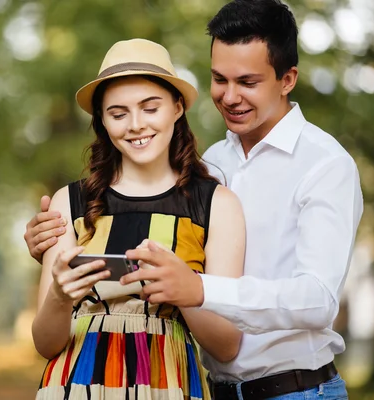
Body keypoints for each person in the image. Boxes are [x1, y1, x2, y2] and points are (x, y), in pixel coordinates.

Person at [26, 1, 364, 399]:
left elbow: (318, 300)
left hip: (297, 390)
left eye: (248, 82)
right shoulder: (210, 167)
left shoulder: (325, 165)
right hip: (212, 388)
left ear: (287, 79)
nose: (230, 96)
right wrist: (48, 249)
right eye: (220, 79)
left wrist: (197, 288)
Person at [30, 38, 246, 400]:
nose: (135, 125)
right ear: (102, 119)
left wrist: (183, 289)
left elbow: (226, 347)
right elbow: (45, 343)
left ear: (177, 108)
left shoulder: (217, 204)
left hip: (167, 381)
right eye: (118, 113)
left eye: (150, 108)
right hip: (75, 382)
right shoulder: (70, 201)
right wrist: (58, 296)